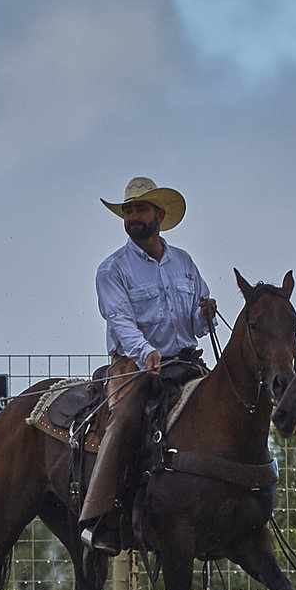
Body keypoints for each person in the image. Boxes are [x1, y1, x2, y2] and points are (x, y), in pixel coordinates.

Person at [77, 176, 219, 554]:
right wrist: (146, 351)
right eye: (128, 210)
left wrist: (207, 315)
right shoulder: (112, 269)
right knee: (124, 420)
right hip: (133, 366)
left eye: (140, 209)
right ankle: (102, 517)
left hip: (186, 361)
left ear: (159, 214)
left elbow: (198, 326)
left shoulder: (185, 264)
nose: (132, 216)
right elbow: (119, 320)